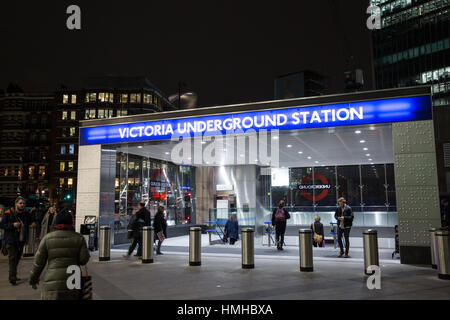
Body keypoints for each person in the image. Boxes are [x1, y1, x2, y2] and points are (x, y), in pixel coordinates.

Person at [29, 209, 90, 300]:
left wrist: (33, 279)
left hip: (53, 281)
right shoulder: (79, 238)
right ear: (71, 222)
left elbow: (38, 263)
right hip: (74, 280)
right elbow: (83, 260)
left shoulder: (47, 238)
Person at [0, 197, 31, 285]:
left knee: (17, 258)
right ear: (16, 204)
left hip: (21, 240)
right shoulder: (8, 214)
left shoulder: (26, 214)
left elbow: (32, 222)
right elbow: (2, 225)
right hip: (10, 240)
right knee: (12, 259)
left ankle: (14, 274)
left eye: (23, 204)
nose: (22, 205)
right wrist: (12, 225)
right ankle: (12, 278)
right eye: (20, 203)